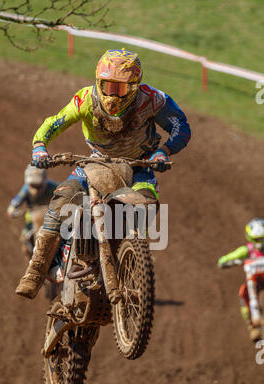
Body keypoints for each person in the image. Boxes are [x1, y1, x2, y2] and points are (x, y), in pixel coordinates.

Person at [16, 48, 191, 299]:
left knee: (147, 205)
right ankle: (35, 271)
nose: (111, 94)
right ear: (98, 81)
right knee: (62, 197)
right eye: (106, 85)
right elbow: (54, 122)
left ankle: (130, 259)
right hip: (94, 163)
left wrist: (163, 151)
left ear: (134, 87)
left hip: (140, 167)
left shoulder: (153, 99)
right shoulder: (85, 99)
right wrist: (40, 147)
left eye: (119, 88)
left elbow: (181, 126)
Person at [218, 218, 264, 341]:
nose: (260, 242)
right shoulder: (247, 250)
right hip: (255, 281)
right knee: (243, 293)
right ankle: (252, 326)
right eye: (257, 239)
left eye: (262, 238)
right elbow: (225, 259)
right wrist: (226, 262)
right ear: (251, 238)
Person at [7, 165, 58, 258]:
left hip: (51, 218)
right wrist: (12, 211)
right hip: (32, 221)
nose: (36, 189)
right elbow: (14, 203)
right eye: (33, 185)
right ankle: (31, 261)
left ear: (44, 181)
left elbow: (65, 191)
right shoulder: (25, 189)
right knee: (25, 243)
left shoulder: (52, 187)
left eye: (38, 186)